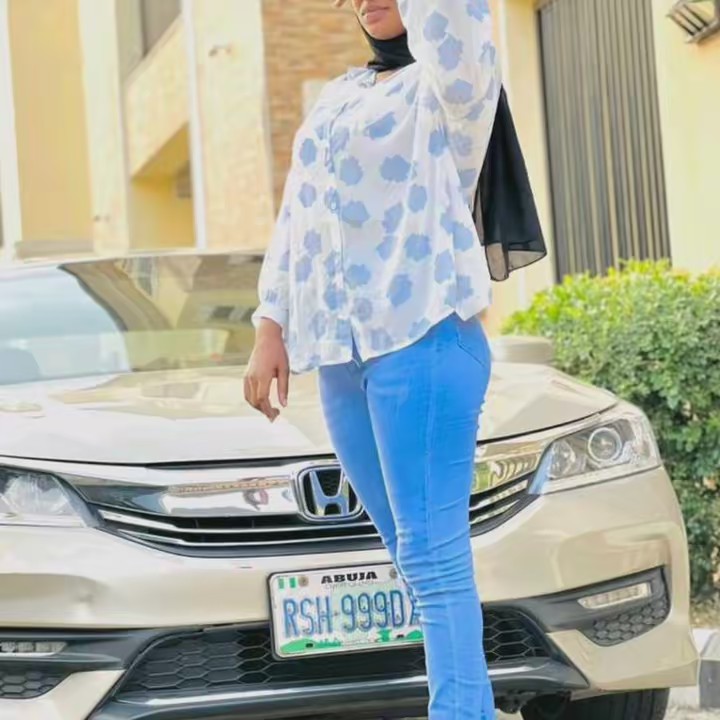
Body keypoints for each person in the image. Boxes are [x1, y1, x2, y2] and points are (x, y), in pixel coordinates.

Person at [245, 0, 501, 717]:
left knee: (433, 558)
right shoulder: (338, 97)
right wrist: (270, 325)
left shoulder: (451, 83)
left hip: (424, 337)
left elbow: (454, 20)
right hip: (343, 358)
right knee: (415, 561)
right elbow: (297, 216)